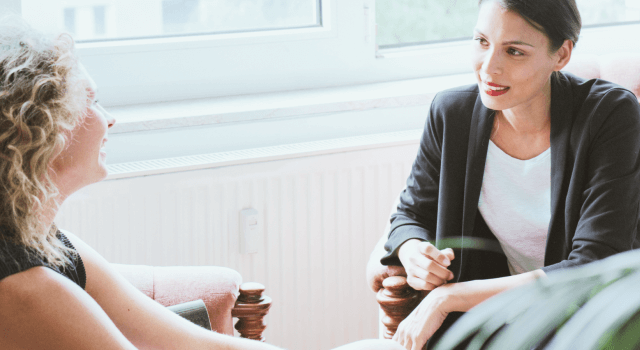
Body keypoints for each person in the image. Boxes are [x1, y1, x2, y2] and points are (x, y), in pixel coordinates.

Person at [0, 18, 402, 350]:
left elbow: (189, 343)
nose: (110, 119)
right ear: (46, 128)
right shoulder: (27, 290)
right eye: (94, 101)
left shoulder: (52, 246)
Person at [373, 1, 640, 349]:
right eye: (482, 42)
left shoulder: (609, 113)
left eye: (514, 51)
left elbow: (593, 266)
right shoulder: (452, 114)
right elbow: (409, 214)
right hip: (509, 319)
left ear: (561, 55)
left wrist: (449, 297)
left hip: (608, 316)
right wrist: (412, 250)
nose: (489, 68)